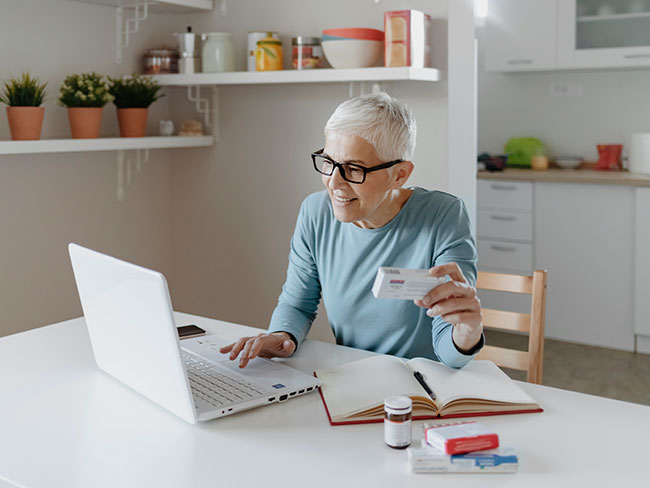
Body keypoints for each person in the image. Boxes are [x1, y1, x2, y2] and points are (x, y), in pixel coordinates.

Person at [221, 92, 484, 369]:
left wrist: (467, 333)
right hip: (351, 380)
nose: (333, 182)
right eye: (328, 162)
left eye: (353, 169)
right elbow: (297, 304)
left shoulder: (443, 215)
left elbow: (449, 350)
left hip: (423, 387)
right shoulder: (315, 212)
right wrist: (281, 336)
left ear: (400, 175)